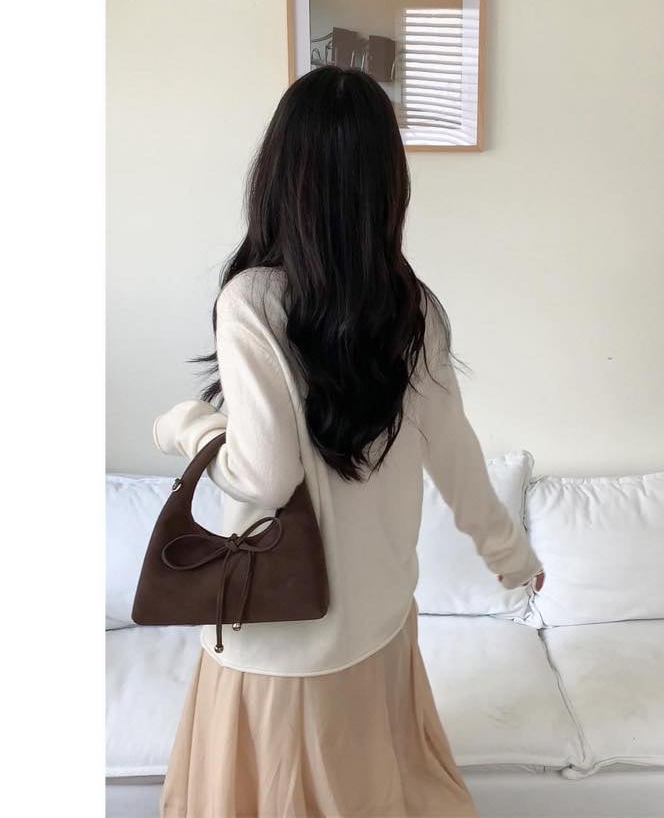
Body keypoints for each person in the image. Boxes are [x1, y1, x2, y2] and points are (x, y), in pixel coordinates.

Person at [153, 66, 544, 818]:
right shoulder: (411, 308)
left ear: (277, 174)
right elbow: (454, 452)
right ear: (386, 185)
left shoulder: (252, 300)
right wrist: (511, 556)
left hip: (280, 636)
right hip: (378, 623)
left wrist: (188, 425)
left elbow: (263, 478)